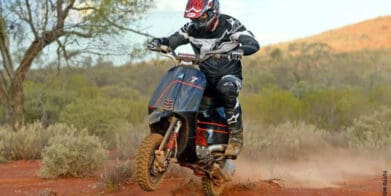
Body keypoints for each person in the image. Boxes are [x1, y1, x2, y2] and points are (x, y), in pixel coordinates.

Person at [148, 0, 260, 157]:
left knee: (226, 89)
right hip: (203, 76)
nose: (197, 22)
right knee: (182, 87)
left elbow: (253, 43)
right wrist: (160, 42)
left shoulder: (230, 24)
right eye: (194, 19)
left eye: (201, 17)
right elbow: (172, 40)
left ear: (213, 12)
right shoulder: (190, 28)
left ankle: (235, 137)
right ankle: (184, 136)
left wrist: (240, 50)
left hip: (229, 76)